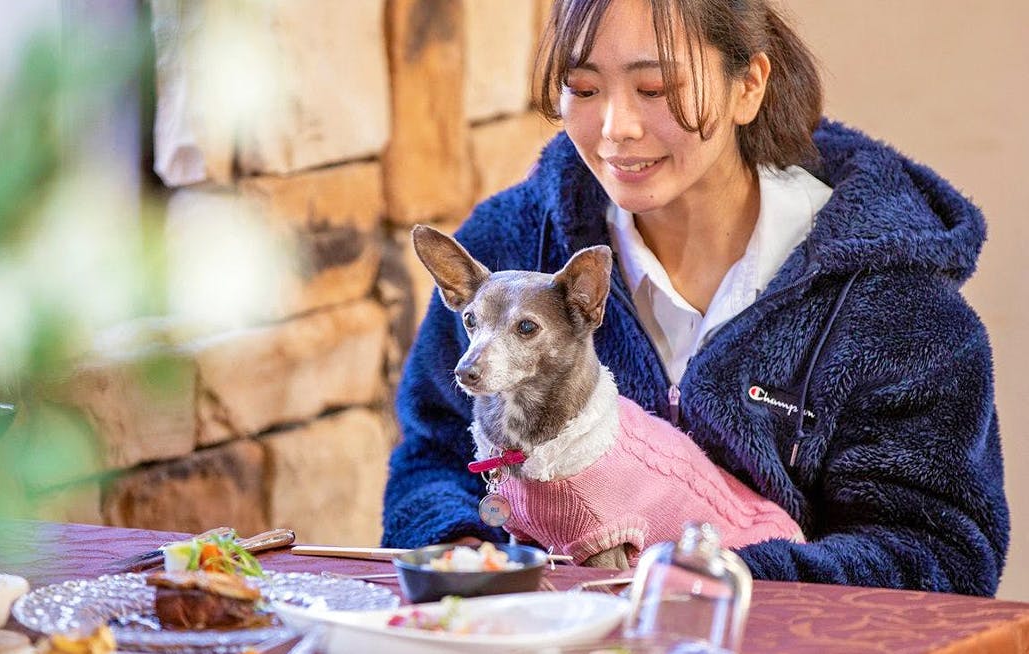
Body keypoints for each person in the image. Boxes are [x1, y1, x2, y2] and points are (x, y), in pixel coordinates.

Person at [381, 0, 1009, 596]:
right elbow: (433, 458)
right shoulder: (510, 248)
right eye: (584, 86)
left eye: (654, 89)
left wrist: (704, 585)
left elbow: (938, 555)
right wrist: (467, 560)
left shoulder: (898, 307)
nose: (615, 128)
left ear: (749, 85)